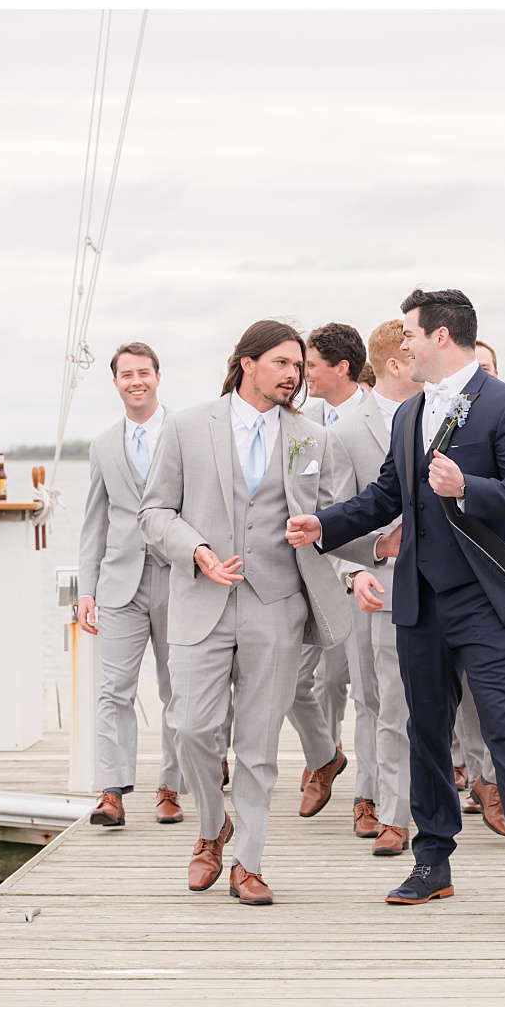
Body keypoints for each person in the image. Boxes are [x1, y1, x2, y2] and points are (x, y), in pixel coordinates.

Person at [287, 287, 505, 920]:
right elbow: (385, 496)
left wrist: (469, 488)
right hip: (419, 600)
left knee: (504, 731)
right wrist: (322, 524)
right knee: (424, 731)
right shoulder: (408, 415)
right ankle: (432, 862)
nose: (401, 343)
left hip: (488, 600)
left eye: (409, 332)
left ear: (440, 336)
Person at [139, 320, 352, 905]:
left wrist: (364, 558)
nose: (294, 374)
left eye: (299, 365)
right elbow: (154, 513)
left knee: (258, 745)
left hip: (277, 606)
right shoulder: (186, 427)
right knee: (192, 730)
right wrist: (197, 550)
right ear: (246, 363)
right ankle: (212, 827)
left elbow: (332, 519)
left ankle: (248, 862)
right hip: (201, 603)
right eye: (282, 363)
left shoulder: (314, 438)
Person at [323, 319, 423, 856]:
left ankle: (467, 790)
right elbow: (339, 516)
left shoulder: (443, 414)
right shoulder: (343, 433)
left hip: (443, 580)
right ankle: (388, 810)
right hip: (377, 581)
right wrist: (356, 570)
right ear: (397, 363)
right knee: (382, 699)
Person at [80, 342, 184, 828]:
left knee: (178, 689)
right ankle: (111, 792)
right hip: (118, 584)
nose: (136, 381)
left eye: (144, 372)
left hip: (178, 580)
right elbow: (93, 524)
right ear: (116, 382)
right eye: (127, 374)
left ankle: (170, 788)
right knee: (112, 691)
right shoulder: (102, 445)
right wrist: (86, 591)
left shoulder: (185, 433)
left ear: (158, 377)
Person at [285, 323, 370, 823]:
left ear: (342, 368)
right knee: (302, 682)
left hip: (361, 569)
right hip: (309, 574)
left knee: (361, 686)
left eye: (310, 364)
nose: (302, 374)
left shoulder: (382, 416)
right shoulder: (302, 422)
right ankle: (324, 755)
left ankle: (369, 796)